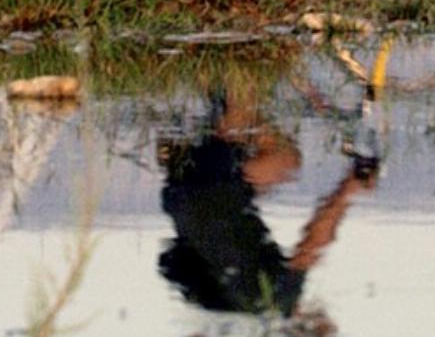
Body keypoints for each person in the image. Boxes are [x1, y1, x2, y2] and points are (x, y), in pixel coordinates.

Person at [156, 85, 377, 320]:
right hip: (179, 201)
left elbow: (314, 241)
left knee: (273, 149)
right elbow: (173, 268)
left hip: (214, 194)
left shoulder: (280, 303)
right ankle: (204, 126)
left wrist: (351, 187)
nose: (328, 321)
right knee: (277, 168)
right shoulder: (242, 308)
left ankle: (236, 85)